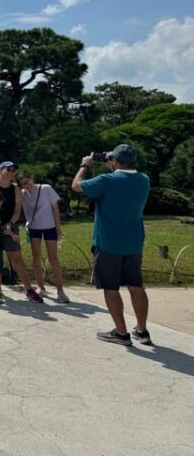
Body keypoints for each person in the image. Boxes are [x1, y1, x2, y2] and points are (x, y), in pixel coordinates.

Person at [72, 144, 152, 346]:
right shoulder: (144, 179)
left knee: (111, 288)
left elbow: (76, 185)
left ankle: (121, 333)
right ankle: (142, 331)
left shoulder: (107, 180)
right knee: (136, 286)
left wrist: (85, 165)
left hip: (108, 243)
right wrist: (111, 165)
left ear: (114, 161)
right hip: (133, 244)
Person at [0, 161, 43, 303]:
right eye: (8, 169)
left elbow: (17, 210)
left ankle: (29, 290)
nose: (11, 172)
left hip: (9, 227)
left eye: (13, 170)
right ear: (0, 170)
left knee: (17, 260)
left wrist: (10, 224)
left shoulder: (16, 189)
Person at [17, 174, 69, 303]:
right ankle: (41, 287)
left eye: (27, 181)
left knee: (53, 258)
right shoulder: (22, 194)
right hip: (34, 227)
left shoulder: (46, 188)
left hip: (49, 226)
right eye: (23, 184)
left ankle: (60, 291)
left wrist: (58, 228)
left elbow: (55, 209)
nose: (27, 185)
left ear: (32, 179)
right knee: (36, 257)